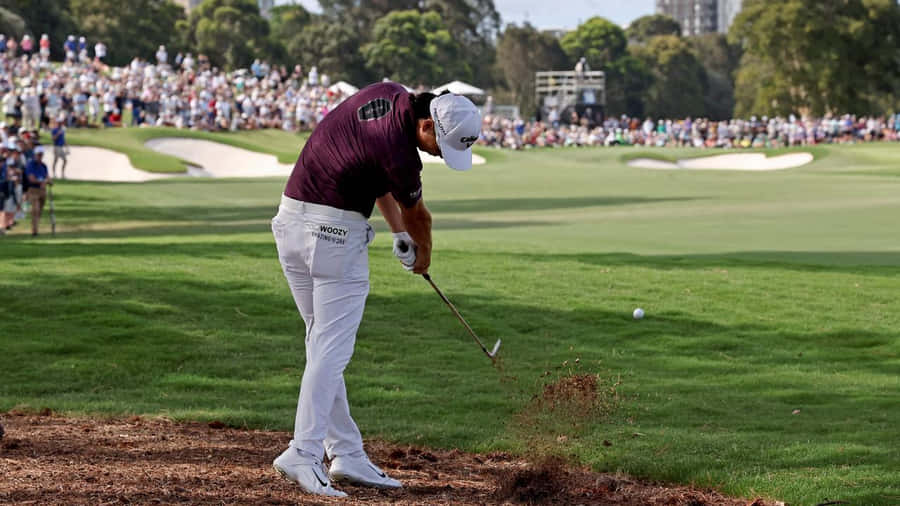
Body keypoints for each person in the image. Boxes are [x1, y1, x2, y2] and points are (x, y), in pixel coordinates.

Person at [270, 82, 481, 497]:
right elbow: (421, 216)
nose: (439, 153)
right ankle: (304, 451)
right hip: (333, 237)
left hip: (292, 222)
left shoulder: (386, 94)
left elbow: (372, 171)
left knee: (321, 348)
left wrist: (397, 233)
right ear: (425, 126)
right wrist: (422, 255)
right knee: (331, 351)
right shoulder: (404, 156)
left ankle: (346, 453)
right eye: (441, 145)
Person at [24, 146, 50, 236]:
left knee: (40, 211)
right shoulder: (30, 165)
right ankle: (34, 231)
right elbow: (31, 179)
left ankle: (36, 226)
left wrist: (48, 181)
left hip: (42, 190)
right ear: (35, 155)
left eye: (41, 155)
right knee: (35, 209)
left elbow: (47, 176)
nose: (40, 156)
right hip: (33, 190)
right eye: (38, 155)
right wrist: (42, 181)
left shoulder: (43, 166)